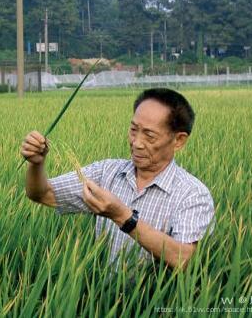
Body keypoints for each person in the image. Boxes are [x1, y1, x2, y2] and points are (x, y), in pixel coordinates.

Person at [21, 88, 215, 270]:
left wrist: (122, 216)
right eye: (133, 130)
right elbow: (42, 194)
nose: (136, 143)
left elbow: (184, 259)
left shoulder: (193, 194)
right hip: (102, 298)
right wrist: (37, 164)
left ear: (179, 140)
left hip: (156, 302)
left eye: (149, 135)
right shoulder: (107, 172)